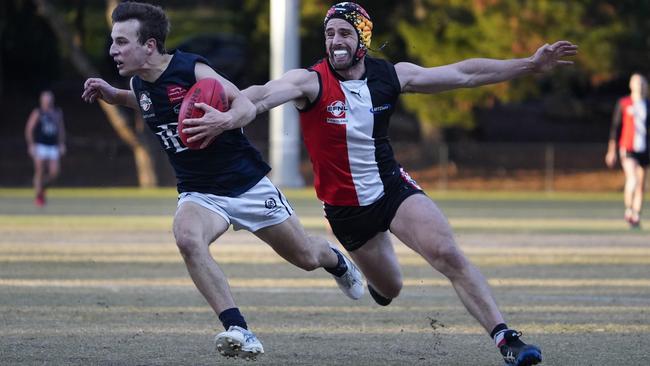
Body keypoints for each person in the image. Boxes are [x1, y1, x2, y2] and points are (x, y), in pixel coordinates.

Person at [184, 3, 578, 365]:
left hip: (392, 189)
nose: (336, 41)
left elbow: (464, 73)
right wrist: (228, 117)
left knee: (448, 254)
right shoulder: (310, 82)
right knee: (391, 288)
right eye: (330, 33)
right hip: (346, 210)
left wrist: (529, 64)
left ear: (362, 40)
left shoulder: (390, 75)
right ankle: (367, 274)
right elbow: (261, 95)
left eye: (345, 33)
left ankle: (506, 339)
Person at [81, 2, 364, 361]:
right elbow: (148, 103)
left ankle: (337, 262)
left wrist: (223, 122)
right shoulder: (140, 84)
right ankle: (238, 329)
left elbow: (243, 104)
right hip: (200, 192)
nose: (113, 51)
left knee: (306, 257)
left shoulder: (192, 67)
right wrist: (115, 95)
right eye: (113, 42)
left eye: (121, 42)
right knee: (187, 238)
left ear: (149, 45)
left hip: (247, 185)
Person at [606, 73, 649, 228]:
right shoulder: (624, 103)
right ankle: (629, 209)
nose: (640, 85)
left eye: (642, 82)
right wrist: (611, 150)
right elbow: (615, 128)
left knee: (642, 184)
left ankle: (636, 215)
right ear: (631, 85)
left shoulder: (648, 104)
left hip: (644, 149)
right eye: (636, 82)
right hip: (628, 147)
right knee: (633, 178)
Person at [25, 90, 66, 207]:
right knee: (40, 171)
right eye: (45, 100)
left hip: (53, 146)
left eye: (49, 99)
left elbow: (61, 129)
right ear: (41, 101)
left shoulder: (57, 112)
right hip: (40, 145)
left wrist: (61, 143)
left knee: (54, 173)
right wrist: (31, 145)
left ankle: (41, 188)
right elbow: (29, 129)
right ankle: (39, 197)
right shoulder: (38, 113)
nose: (48, 102)